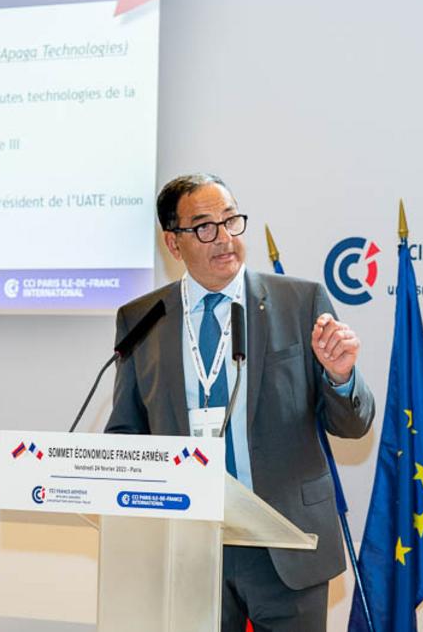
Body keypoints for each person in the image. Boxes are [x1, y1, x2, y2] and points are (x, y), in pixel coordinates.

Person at [106, 173, 376, 631]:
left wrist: (341, 376)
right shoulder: (142, 319)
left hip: (286, 544)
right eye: (204, 227)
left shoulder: (300, 302)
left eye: (231, 220)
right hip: (189, 546)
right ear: (173, 243)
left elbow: (353, 425)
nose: (224, 238)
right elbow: (126, 431)